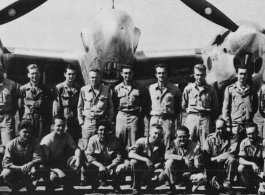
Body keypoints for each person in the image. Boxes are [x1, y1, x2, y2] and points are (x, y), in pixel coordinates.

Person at [40, 116, 82, 194]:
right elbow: (44, 163)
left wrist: (78, 159)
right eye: (58, 125)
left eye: (63, 125)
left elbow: (76, 148)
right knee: (54, 177)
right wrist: (58, 171)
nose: (61, 128)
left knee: (76, 161)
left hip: (60, 163)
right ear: (52, 126)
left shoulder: (66, 135)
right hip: (48, 167)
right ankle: (50, 186)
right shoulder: (47, 140)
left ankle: (68, 186)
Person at [84, 120, 128, 193]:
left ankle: (116, 185)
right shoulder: (93, 140)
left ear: (109, 131)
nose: (103, 132)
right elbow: (89, 156)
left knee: (122, 166)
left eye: (106, 130)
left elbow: (119, 157)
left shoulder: (116, 140)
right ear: (97, 131)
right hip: (98, 165)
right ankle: (94, 185)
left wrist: (109, 166)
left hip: (111, 165)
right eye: (101, 130)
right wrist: (100, 165)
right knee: (88, 165)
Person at [182, 64, 219, 148]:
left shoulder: (211, 90)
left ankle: (206, 160)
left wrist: (210, 115)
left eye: (202, 75)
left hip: (205, 119)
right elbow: (183, 105)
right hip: (192, 118)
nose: (199, 77)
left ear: (205, 75)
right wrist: (189, 111)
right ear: (194, 75)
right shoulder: (188, 89)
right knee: (189, 143)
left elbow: (216, 107)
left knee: (206, 144)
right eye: (197, 75)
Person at [1, 121, 42, 195]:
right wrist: (20, 167)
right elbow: (6, 163)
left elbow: (38, 158)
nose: (27, 134)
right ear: (18, 132)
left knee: (39, 168)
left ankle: (30, 187)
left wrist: (30, 164)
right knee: (5, 173)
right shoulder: (11, 144)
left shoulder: (35, 142)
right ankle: (15, 188)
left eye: (29, 132)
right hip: (15, 170)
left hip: (29, 169)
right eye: (25, 132)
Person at [77, 68, 114, 150]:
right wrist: (81, 123)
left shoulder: (106, 89)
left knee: (102, 146)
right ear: (89, 78)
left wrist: (109, 121)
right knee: (87, 147)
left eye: (96, 77)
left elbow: (111, 107)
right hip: (88, 123)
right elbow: (80, 107)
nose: (94, 79)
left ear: (100, 77)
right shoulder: (84, 90)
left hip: (102, 123)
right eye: (92, 77)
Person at [147, 63, 181, 149]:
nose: (161, 75)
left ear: (167, 74)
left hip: (167, 120)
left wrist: (177, 125)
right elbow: (147, 106)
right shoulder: (150, 88)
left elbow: (178, 109)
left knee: (167, 143)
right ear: (156, 75)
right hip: (154, 119)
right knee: (152, 142)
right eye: (159, 73)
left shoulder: (174, 89)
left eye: (163, 73)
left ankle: (167, 161)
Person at [164, 126, 204, 195]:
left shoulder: (196, 147)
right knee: (169, 162)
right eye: (180, 137)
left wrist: (190, 172)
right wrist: (183, 158)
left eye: (184, 136)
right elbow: (167, 156)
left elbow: (198, 167)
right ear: (176, 136)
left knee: (201, 176)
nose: (182, 139)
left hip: (189, 173)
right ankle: (172, 188)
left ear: (188, 136)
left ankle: (189, 186)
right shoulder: (173, 144)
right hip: (176, 173)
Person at [113, 65, 145, 150]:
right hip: (121, 117)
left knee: (135, 140)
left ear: (133, 73)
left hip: (135, 116)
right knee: (119, 139)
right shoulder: (117, 88)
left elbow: (145, 104)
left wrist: (140, 116)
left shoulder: (140, 87)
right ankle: (121, 159)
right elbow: (114, 104)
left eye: (130, 73)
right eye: (125, 73)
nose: (128, 75)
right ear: (121, 74)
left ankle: (135, 159)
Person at [222, 64, 258, 142]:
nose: (243, 76)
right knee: (234, 150)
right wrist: (228, 125)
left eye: (245, 74)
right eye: (241, 74)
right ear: (237, 74)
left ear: (247, 75)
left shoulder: (251, 90)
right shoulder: (230, 89)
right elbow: (225, 109)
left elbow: (255, 107)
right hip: (235, 126)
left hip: (248, 127)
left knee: (248, 149)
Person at [129, 125, 166, 195]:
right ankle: (136, 187)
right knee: (133, 162)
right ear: (150, 132)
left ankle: (150, 187)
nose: (157, 136)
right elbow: (131, 154)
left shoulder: (161, 145)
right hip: (140, 169)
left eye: (159, 134)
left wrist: (154, 167)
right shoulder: (141, 141)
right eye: (155, 133)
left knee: (163, 173)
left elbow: (161, 161)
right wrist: (146, 160)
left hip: (152, 169)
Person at [203, 118, 238, 194]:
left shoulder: (232, 137)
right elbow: (206, 156)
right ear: (215, 128)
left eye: (223, 128)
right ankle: (212, 182)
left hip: (225, 165)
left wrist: (216, 158)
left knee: (232, 160)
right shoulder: (210, 138)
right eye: (218, 128)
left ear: (226, 127)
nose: (221, 131)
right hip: (214, 166)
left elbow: (232, 153)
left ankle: (228, 184)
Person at [18, 64, 53, 139]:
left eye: (36, 73)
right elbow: (20, 107)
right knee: (28, 142)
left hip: (42, 121)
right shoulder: (23, 89)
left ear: (40, 74)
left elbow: (49, 107)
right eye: (32, 73)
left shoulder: (46, 89)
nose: (35, 75)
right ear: (28, 75)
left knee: (42, 142)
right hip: (28, 120)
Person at [53, 64, 81, 143]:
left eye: (73, 74)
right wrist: (58, 121)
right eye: (69, 74)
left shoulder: (78, 88)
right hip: (64, 120)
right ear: (65, 74)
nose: (71, 76)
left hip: (75, 120)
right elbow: (56, 105)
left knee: (74, 141)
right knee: (62, 142)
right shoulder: (59, 88)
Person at [0, 64, 18, 170]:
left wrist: (9, 115)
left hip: (6, 117)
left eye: (0, 70)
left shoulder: (12, 84)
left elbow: (15, 103)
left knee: (7, 145)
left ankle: (8, 172)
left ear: (4, 71)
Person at [238, 123, 265, 194]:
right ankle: (249, 186)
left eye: (253, 133)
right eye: (249, 134)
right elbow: (241, 159)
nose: (251, 136)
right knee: (240, 168)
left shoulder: (263, 142)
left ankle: (260, 185)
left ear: (257, 132)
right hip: (249, 171)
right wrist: (252, 164)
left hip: (261, 170)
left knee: (262, 191)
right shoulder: (244, 142)